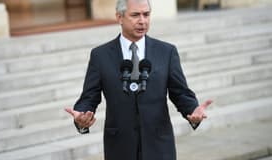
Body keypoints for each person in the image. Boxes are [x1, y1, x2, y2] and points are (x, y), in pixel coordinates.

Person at [65, 0, 212, 160]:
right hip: (119, 148)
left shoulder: (167, 52)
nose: (142, 21)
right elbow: (89, 97)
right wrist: (81, 118)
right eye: (135, 15)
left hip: (159, 146)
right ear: (119, 17)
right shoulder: (100, 55)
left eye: (146, 14)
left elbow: (180, 92)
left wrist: (192, 109)